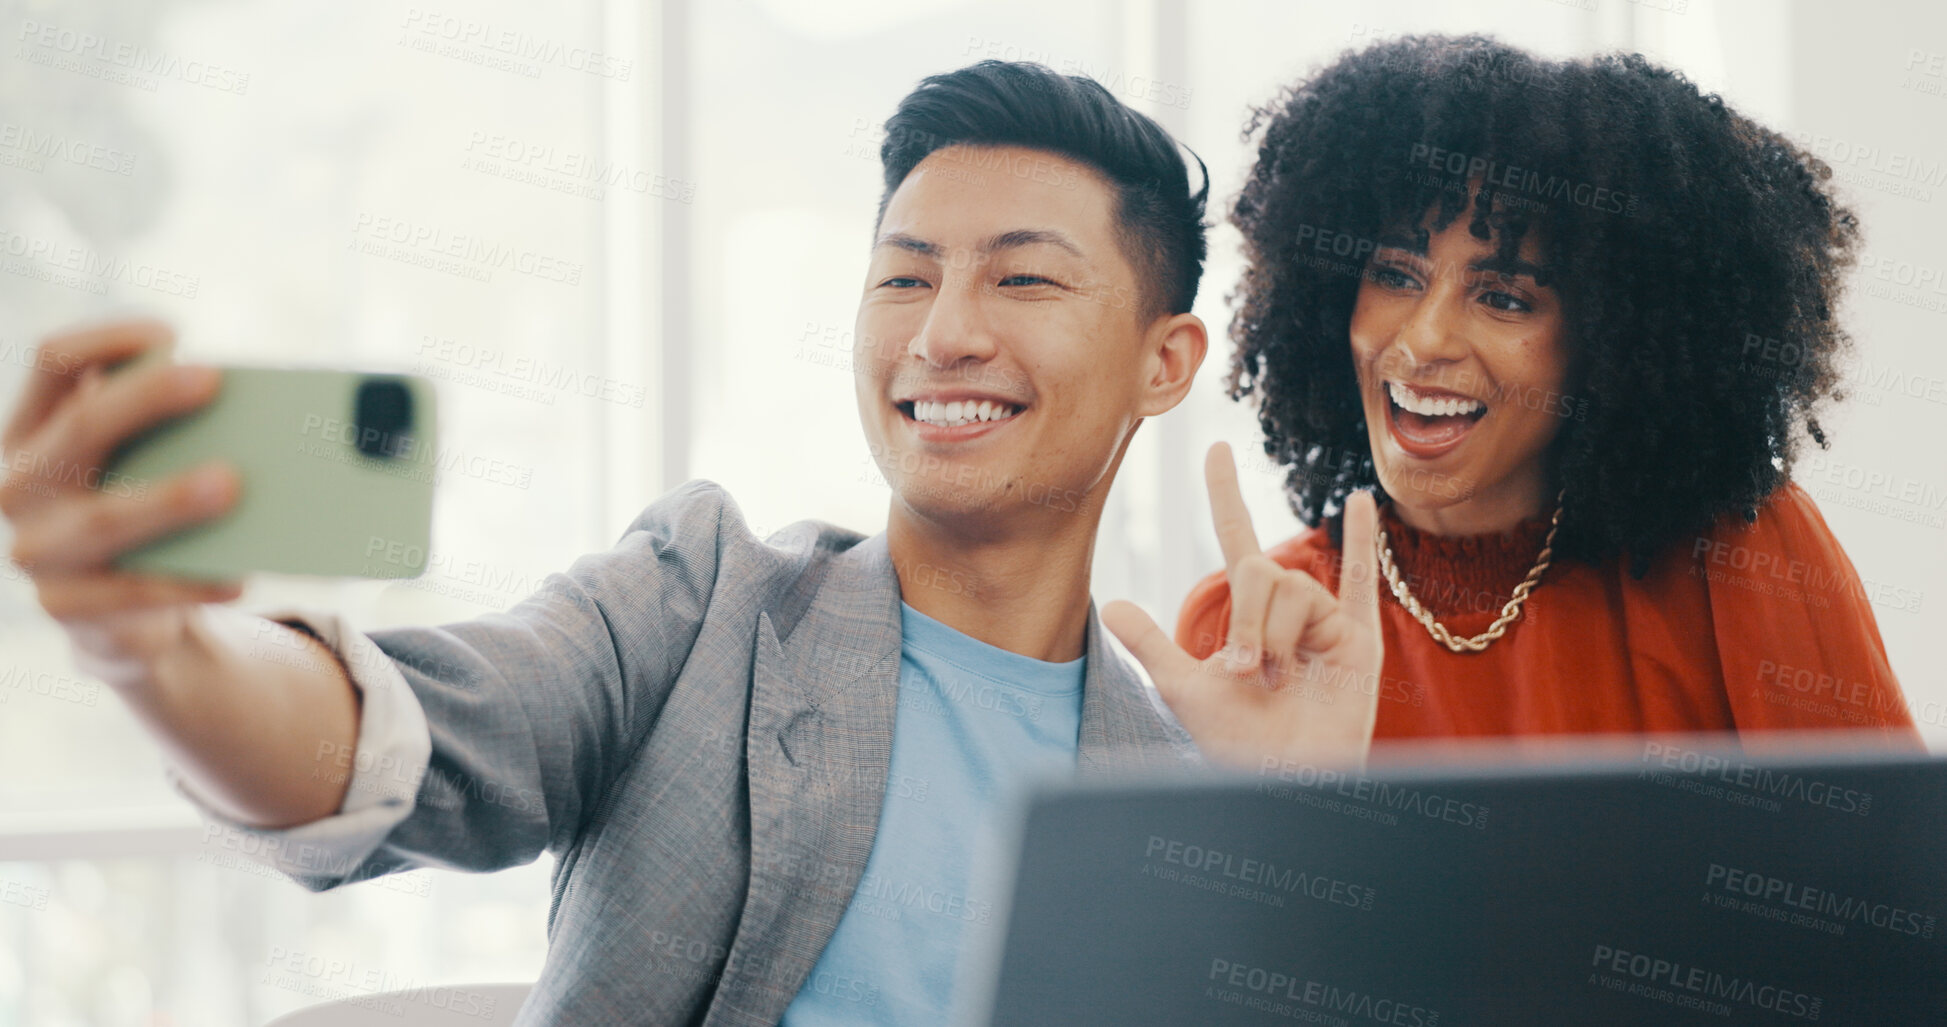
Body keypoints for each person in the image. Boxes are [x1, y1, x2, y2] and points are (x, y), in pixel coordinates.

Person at [0, 62, 1381, 1024]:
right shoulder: (702, 602)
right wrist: (162, 653)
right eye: (901, 274)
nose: (940, 330)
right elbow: (393, 744)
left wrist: (1280, 836)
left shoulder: (1169, 780)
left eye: (1021, 276)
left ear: (1163, 359)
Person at [1176, 35, 1920, 746]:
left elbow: (1883, 869)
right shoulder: (1255, 624)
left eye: (1503, 297)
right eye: (1396, 275)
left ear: (1611, 342)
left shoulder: (1739, 562)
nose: (1423, 340)